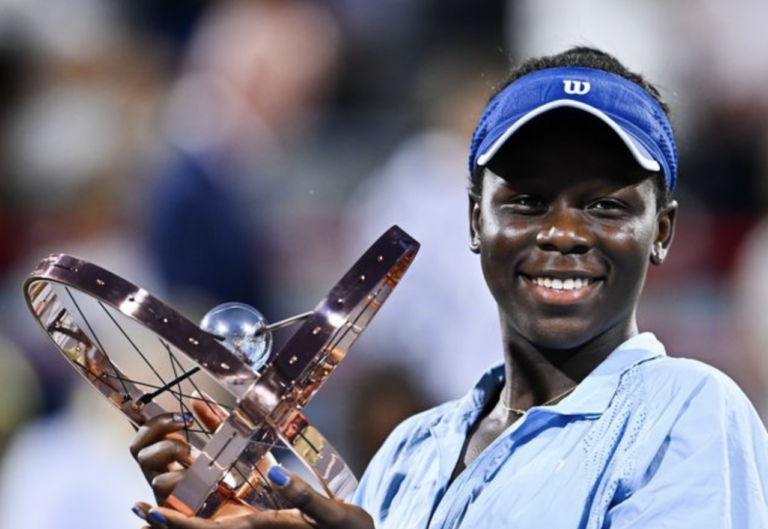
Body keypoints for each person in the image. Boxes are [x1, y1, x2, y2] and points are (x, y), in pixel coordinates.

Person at [129, 47, 768, 529]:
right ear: (474, 221)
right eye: (527, 200)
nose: (565, 232)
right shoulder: (412, 448)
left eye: (605, 205)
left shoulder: (693, 411)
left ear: (663, 231)